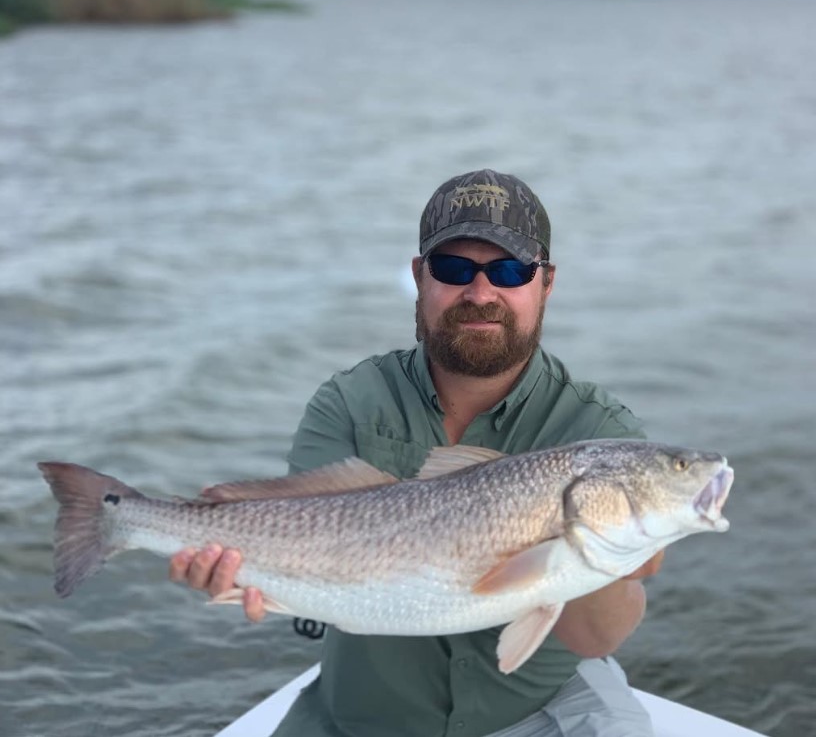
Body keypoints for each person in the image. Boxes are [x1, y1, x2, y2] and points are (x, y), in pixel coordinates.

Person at [170, 168, 663, 737]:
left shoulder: (598, 431)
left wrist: (605, 555)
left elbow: (595, 640)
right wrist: (236, 572)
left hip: (537, 709)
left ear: (545, 283)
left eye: (509, 270)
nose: (481, 294)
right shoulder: (349, 401)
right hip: (366, 718)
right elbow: (296, 535)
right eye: (454, 269)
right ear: (419, 277)